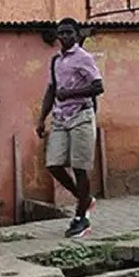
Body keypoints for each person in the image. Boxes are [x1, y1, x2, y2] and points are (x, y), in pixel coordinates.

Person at [36, 17, 104, 238]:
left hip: (81, 116)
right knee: (53, 164)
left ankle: (81, 218)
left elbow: (98, 86)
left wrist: (71, 94)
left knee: (79, 167)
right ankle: (84, 198)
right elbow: (51, 90)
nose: (64, 37)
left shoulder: (83, 58)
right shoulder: (56, 61)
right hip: (60, 118)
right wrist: (41, 118)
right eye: (61, 33)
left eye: (68, 33)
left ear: (76, 34)